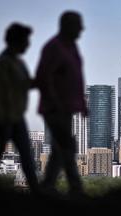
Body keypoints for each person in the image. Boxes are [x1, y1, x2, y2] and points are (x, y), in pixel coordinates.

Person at [35, 11, 87, 197]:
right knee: (67, 145)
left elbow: (76, 78)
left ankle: (48, 186)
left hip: (67, 109)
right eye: (78, 25)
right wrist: (55, 102)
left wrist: (82, 104)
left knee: (61, 147)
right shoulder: (53, 47)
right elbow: (43, 76)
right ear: (67, 26)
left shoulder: (71, 47)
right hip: (54, 108)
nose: (82, 29)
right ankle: (75, 188)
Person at [0, 23, 38, 192]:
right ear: (17, 41)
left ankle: (36, 190)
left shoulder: (18, 63)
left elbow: (26, 84)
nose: (28, 44)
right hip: (0, 118)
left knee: (26, 154)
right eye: (26, 41)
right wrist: (4, 119)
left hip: (15, 116)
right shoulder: (1, 64)